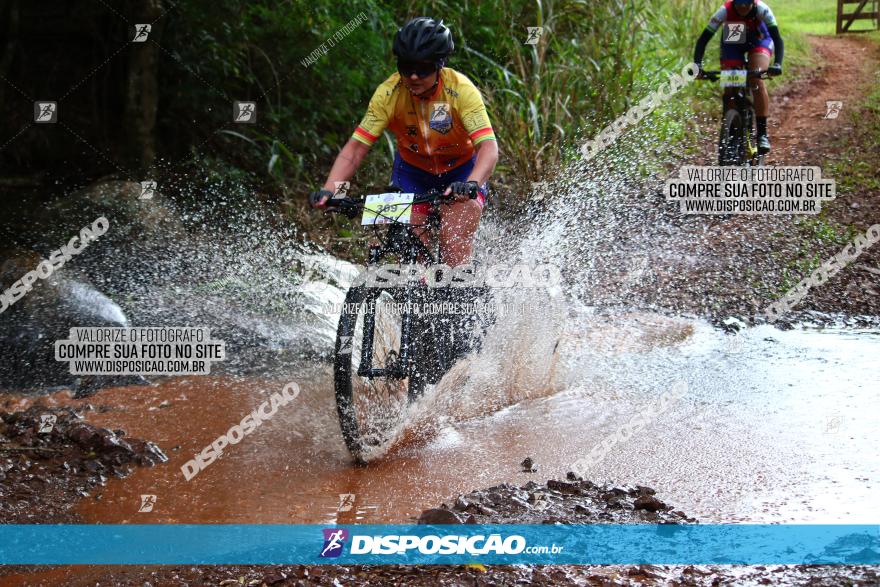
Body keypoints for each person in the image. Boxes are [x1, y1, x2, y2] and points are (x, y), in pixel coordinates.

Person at [310, 17, 499, 269]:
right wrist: (331, 190)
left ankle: (462, 304)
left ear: (439, 65)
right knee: (407, 250)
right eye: (406, 67)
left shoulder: (462, 91)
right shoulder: (388, 93)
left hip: (461, 173)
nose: (412, 76)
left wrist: (471, 183)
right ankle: (416, 300)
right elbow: (355, 149)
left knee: (452, 243)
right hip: (412, 174)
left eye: (422, 69)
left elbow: (488, 148)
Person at [693, 0, 784, 154]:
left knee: (756, 78)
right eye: (739, 2)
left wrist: (778, 64)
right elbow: (703, 40)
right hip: (734, 34)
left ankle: (762, 134)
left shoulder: (763, 10)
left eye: (746, 2)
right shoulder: (725, 11)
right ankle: (731, 126)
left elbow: (777, 39)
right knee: (730, 84)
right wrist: (697, 66)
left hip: (759, 39)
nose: (742, 6)